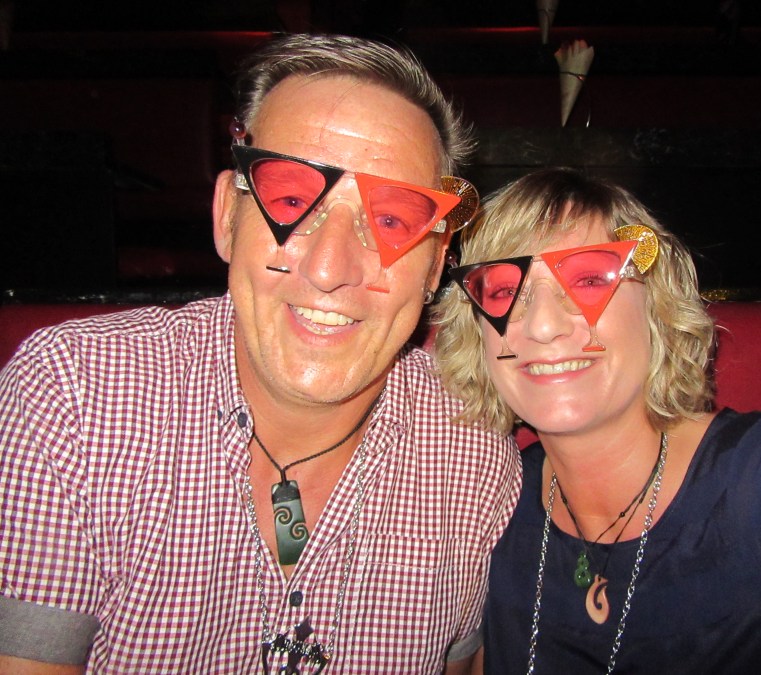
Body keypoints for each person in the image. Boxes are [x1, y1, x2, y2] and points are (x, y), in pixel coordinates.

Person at [0, 34, 521, 674]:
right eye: (292, 200)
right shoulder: (75, 399)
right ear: (227, 216)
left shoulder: (472, 454)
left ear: (437, 263)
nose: (330, 268)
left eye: (390, 221)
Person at [433, 168, 761, 674]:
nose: (543, 326)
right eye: (504, 291)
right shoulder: (485, 503)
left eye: (589, 280)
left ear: (655, 307)